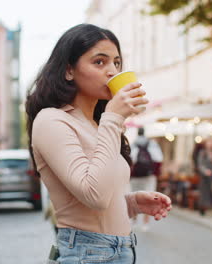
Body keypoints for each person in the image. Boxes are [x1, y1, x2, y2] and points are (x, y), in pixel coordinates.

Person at [25, 24, 172, 264]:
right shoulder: (52, 120)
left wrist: (131, 203)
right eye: (99, 62)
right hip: (88, 253)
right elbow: (94, 195)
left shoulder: (96, 124)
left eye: (116, 63)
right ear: (69, 70)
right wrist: (113, 118)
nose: (112, 71)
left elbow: (95, 202)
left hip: (118, 250)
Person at [130, 127, 164, 232]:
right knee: (149, 199)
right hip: (149, 176)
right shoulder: (152, 143)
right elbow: (159, 158)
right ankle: (145, 223)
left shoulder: (134, 144)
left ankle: (134, 221)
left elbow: (131, 159)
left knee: (135, 198)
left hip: (136, 176)